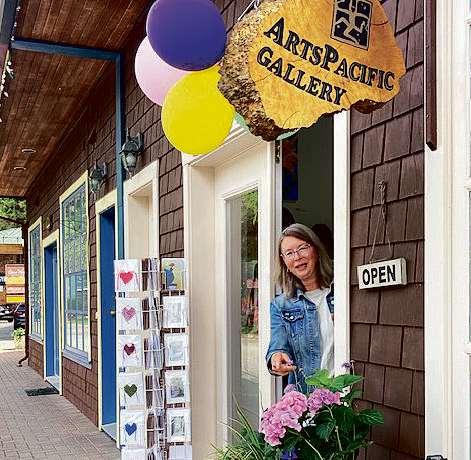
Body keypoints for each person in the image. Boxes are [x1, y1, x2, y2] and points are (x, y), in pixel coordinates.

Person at [266, 223, 334, 392]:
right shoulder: (281, 305)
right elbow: (278, 346)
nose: (297, 257)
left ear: (316, 250)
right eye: (289, 253)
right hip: (308, 399)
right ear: (284, 261)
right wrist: (276, 358)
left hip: (345, 396)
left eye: (302, 248)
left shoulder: (342, 292)